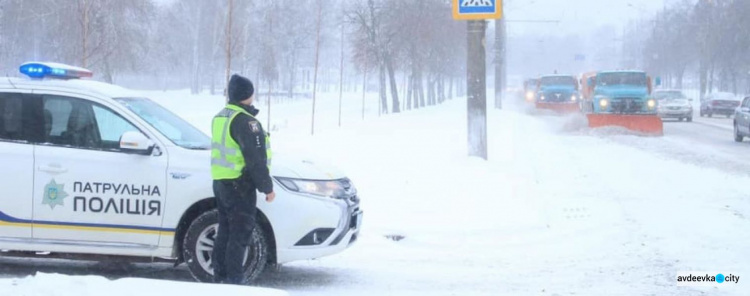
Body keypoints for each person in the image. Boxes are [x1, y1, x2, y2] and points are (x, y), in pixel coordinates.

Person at [211, 74, 275, 284]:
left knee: (225, 232)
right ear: (248, 94)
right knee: (239, 236)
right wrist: (267, 188)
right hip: (240, 184)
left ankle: (219, 278)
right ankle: (234, 283)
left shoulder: (221, 116)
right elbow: (255, 158)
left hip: (221, 182)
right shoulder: (246, 122)